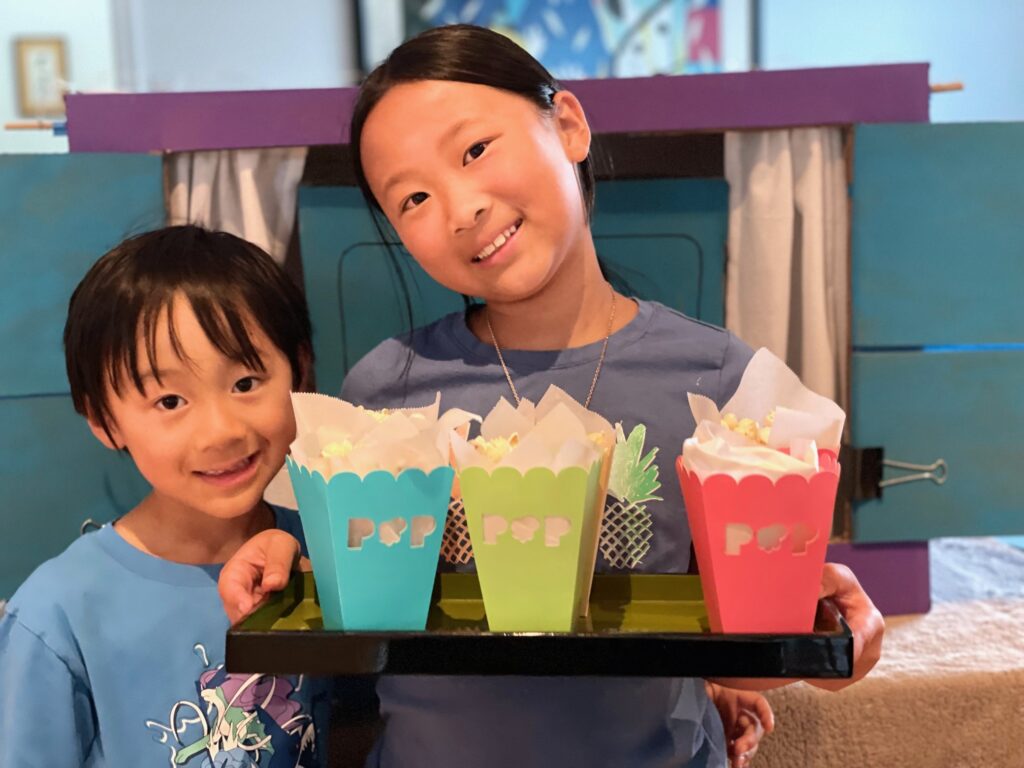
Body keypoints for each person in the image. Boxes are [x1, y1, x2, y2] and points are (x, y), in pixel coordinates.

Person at [219, 24, 883, 768]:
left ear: (567, 125)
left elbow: (736, 642)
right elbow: (346, 599)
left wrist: (829, 634)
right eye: (412, 198)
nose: (462, 208)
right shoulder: (386, 389)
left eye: (475, 151)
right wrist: (283, 549)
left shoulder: (724, 382)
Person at [0, 226, 331, 766]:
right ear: (104, 419)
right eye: (171, 399)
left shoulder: (328, 552)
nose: (220, 431)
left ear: (299, 368)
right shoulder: (58, 613)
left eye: (246, 383)